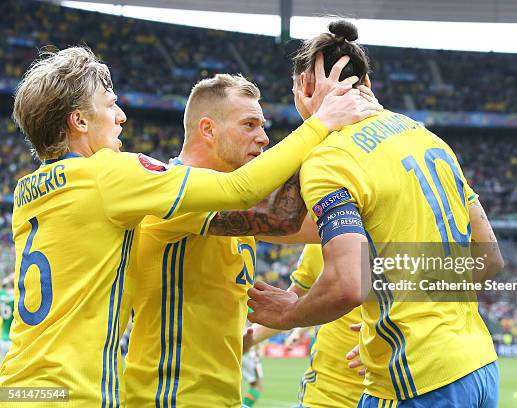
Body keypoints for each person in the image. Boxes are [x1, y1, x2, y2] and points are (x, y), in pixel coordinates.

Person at [0, 46, 381, 406]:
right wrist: (323, 121)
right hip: (88, 393)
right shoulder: (120, 179)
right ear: (79, 120)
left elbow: (323, 224)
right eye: (111, 105)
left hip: (21, 386)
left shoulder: (28, 191)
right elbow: (247, 193)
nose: (122, 117)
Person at [247, 20, 505, 407]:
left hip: (416, 379)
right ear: (367, 82)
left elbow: (348, 284)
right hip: (478, 366)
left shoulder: (331, 157)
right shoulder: (426, 137)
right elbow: (488, 257)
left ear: (304, 85)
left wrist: (290, 315)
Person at [248, 244, 363, 407]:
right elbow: (286, 309)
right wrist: (242, 341)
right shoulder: (323, 244)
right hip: (325, 395)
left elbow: (409, 319)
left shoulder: (403, 242)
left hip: (390, 394)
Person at [0, 274, 13, 363]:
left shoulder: (2, 297)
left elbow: (2, 288)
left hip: (2, 340)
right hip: (12, 340)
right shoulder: (15, 299)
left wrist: (6, 281)